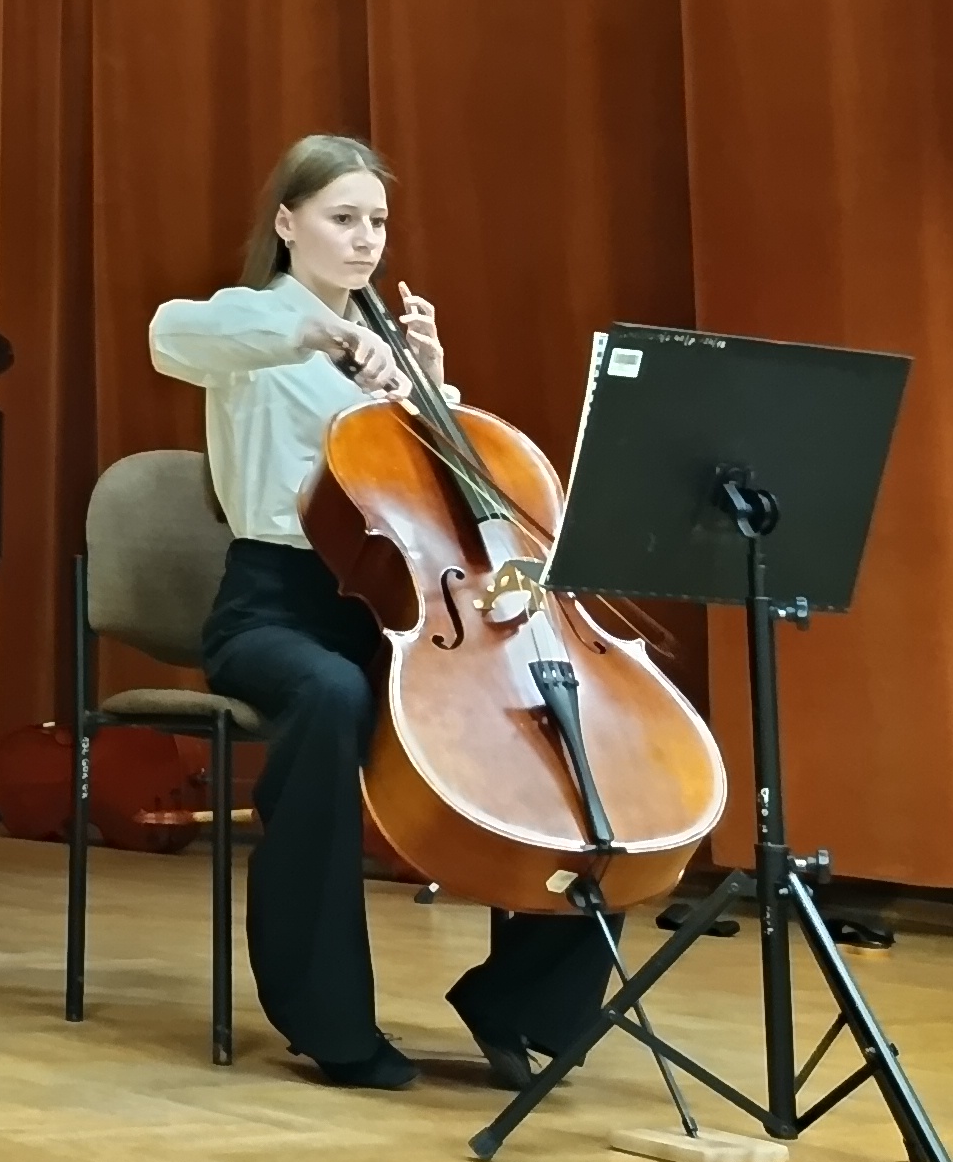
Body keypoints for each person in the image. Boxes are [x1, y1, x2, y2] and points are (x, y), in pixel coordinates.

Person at [148, 134, 609, 1089]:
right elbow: (171, 334)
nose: (366, 240)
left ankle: (521, 999)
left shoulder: (391, 352)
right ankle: (327, 1019)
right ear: (288, 224)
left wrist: (433, 390)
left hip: (399, 613)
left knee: (556, 716)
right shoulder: (251, 325)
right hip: (273, 611)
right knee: (328, 697)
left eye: (378, 222)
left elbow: (436, 501)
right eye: (343, 218)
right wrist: (309, 334)